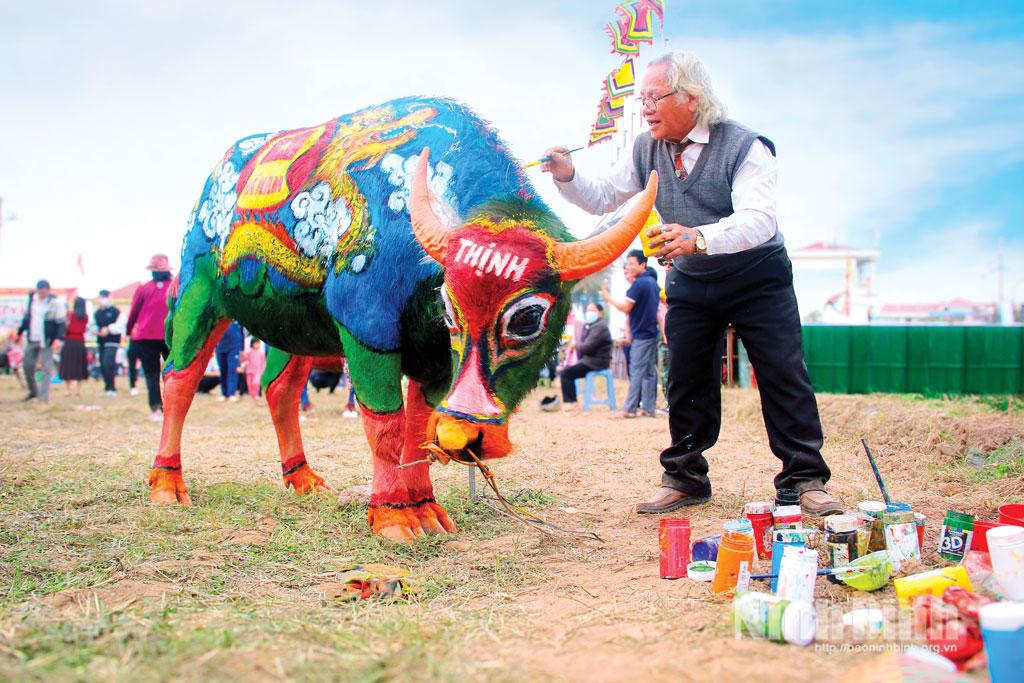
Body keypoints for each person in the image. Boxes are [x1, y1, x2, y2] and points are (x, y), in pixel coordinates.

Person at [542, 51, 842, 517]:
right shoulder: (645, 148)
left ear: (691, 98)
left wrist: (698, 237)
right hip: (692, 280)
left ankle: (803, 478)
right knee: (684, 376)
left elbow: (759, 220)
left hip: (756, 277)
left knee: (783, 373)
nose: (645, 108)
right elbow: (603, 197)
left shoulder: (746, 147)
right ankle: (685, 477)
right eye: (642, 98)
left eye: (654, 97)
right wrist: (568, 176)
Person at [601, 250, 660, 418]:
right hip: (651, 332)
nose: (629, 268)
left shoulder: (639, 284)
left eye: (632, 264)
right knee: (649, 372)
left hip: (641, 335)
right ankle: (648, 409)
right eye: (627, 265)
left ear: (642, 265)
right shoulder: (652, 282)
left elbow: (626, 308)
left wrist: (607, 298)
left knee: (636, 372)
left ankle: (629, 409)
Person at [127, 254, 172, 421]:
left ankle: (157, 408)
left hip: (146, 336)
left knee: (152, 374)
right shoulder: (176, 286)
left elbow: (133, 312)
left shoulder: (144, 288)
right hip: (170, 335)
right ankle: (170, 407)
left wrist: (128, 330)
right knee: (171, 373)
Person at [17, 279, 66, 404]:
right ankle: (34, 391)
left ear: (48, 290)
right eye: (40, 291)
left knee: (46, 368)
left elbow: (61, 322)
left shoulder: (55, 303)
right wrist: (19, 333)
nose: (42, 293)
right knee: (27, 366)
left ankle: (43, 398)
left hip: (47, 339)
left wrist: (59, 339)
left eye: (44, 291)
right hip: (32, 337)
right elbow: (27, 318)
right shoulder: (32, 300)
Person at [558, 302, 613, 412]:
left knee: (566, 373)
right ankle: (572, 402)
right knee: (568, 371)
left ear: (601, 313)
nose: (589, 313)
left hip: (596, 363)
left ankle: (572, 403)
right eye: (588, 311)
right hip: (591, 361)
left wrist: (575, 344)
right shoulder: (594, 326)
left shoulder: (600, 327)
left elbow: (587, 347)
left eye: (592, 311)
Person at [94, 289, 125, 395]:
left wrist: (109, 329)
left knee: (108, 363)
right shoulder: (97, 313)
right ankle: (107, 387)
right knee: (102, 364)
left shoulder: (116, 312)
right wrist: (95, 331)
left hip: (112, 341)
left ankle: (112, 388)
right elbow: (93, 325)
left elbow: (121, 325)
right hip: (101, 341)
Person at [58, 296, 90, 397]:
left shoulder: (69, 315)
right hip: (80, 342)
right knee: (79, 365)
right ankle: (78, 391)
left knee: (68, 366)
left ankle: (68, 390)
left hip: (69, 342)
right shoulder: (85, 317)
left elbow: (65, 328)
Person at [215, 321, 244, 402]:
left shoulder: (238, 319)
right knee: (223, 370)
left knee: (232, 369)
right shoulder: (219, 318)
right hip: (220, 347)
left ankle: (232, 394)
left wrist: (242, 350)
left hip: (234, 348)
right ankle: (224, 394)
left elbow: (242, 334)